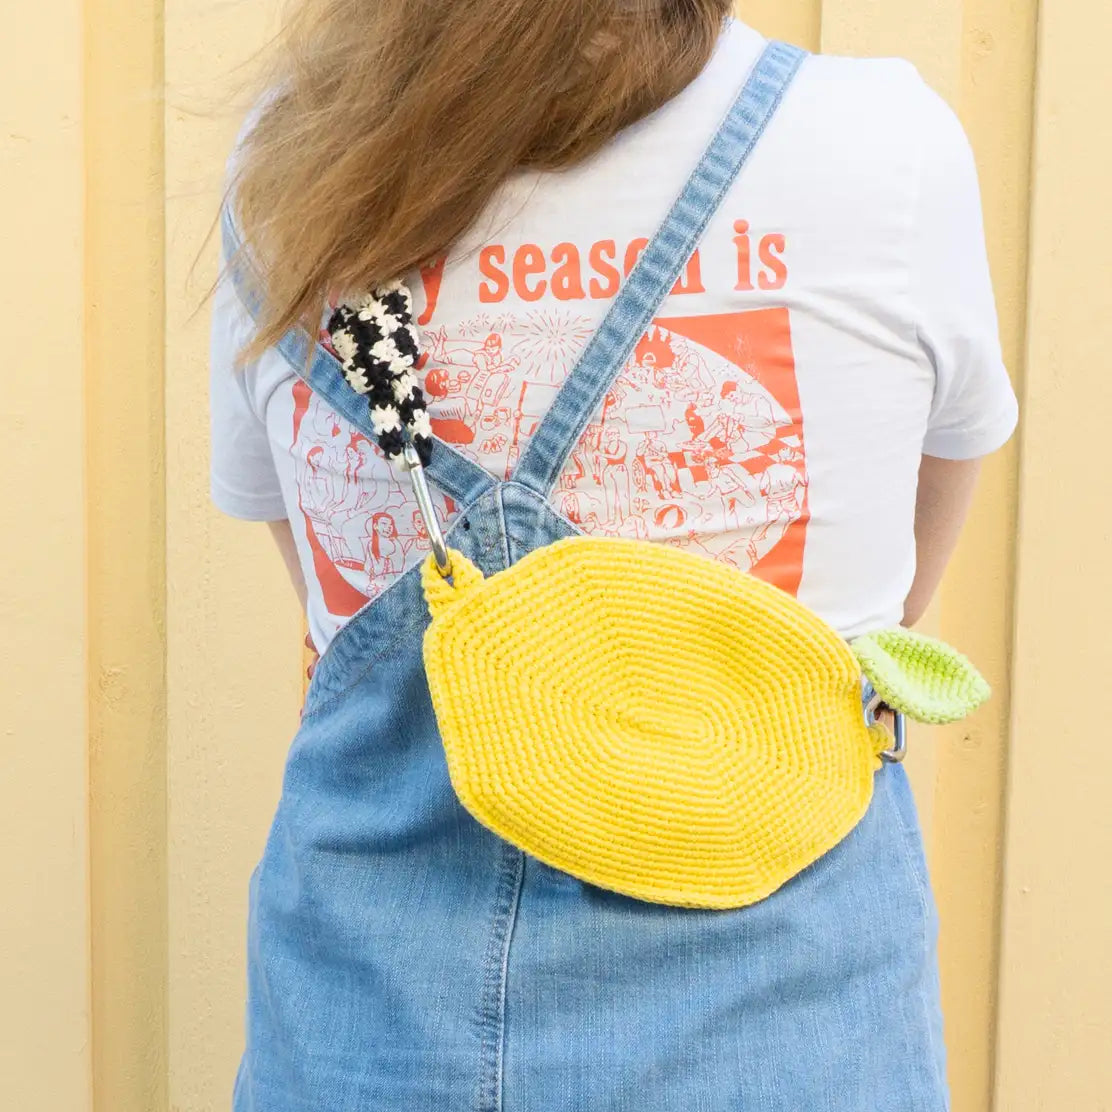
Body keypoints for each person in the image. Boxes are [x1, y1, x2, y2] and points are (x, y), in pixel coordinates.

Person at [209, 3, 1018, 1109]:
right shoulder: (883, 143)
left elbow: (323, 589)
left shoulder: (289, 157)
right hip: (785, 1027)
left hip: (364, 1031)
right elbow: (906, 571)